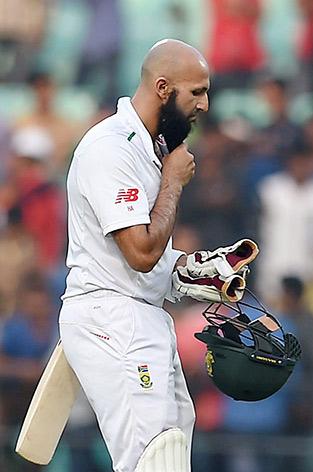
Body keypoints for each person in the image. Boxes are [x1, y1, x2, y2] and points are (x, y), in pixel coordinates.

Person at [58, 39, 216, 472]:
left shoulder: (148, 149)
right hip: (112, 318)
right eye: (196, 92)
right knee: (151, 458)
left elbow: (151, 263)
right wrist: (174, 182)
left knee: (172, 448)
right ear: (163, 88)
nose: (204, 104)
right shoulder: (111, 148)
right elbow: (141, 253)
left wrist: (200, 273)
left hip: (140, 316)